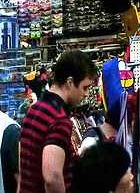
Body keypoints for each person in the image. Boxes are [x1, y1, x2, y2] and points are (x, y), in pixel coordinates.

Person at [20, 51, 99, 193]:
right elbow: (52, 178)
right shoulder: (59, 119)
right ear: (69, 82)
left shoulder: (35, 109)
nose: (86, 94)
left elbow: (23, 164)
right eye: (85, 87)